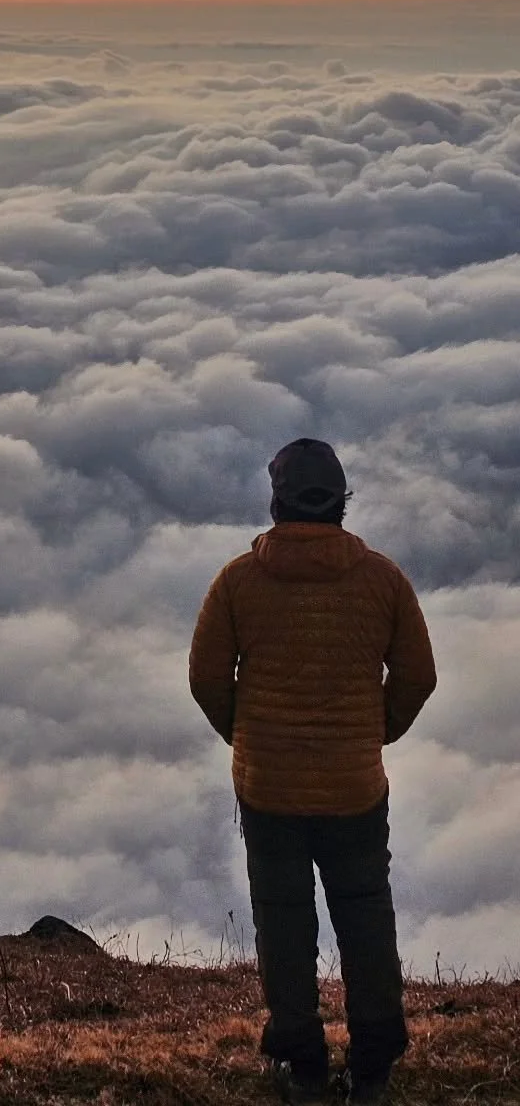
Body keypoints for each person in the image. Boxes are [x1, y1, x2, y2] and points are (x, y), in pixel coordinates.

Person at [189, 439, 436, 1105]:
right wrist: (371, 734)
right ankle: (375, 1066)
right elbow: (418, 676)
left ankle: (302, 1065)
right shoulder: (382, 579)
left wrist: (247, 737)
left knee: (285, 921)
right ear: (342, 503)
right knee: (365, 917)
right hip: (354, 787)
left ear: (276, 501)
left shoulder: (239, 580)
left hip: (268, 787)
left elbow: (206, 678)